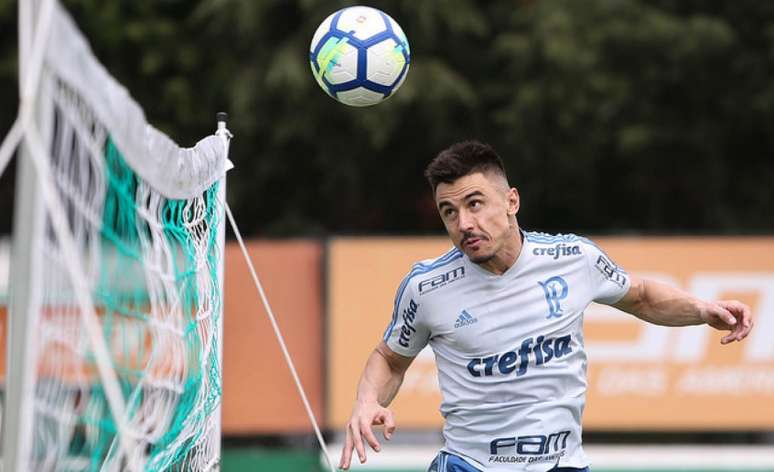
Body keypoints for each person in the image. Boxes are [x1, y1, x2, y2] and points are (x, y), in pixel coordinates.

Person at [338, 141, 754, 472]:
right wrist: (367, 401)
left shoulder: (575, 259)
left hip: (563, 464)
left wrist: (702, 309)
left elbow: (642, 295)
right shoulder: (426, 286)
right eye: (449, 211)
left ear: (512, 202)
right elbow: (390, 360)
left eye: (475, 204)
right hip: (470, 465)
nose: (463, 223)